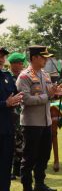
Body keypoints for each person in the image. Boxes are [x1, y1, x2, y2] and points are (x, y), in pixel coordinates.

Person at [16, 45, 62, 191]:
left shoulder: (45, 74)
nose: (46, 60)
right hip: (31, 123)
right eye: (43, 57)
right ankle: (27, 190)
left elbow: (50, 94)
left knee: (44, 155)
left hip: (46, 122)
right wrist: (47, 95)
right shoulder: (24, 76)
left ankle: (40, 184)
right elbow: (26, 100)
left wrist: (57, 93)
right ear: (34, 57)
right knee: (29, 157)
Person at [0, 47, 24, 191]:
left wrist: (19, 98)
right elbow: (7, 102)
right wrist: (4, 103)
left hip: (7, 127)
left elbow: (16, 95)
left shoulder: (7, 76)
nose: (1, 59)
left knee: (5, 163)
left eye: (2, 56)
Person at [7, 52, 26, 180]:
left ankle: (18, 169)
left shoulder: (23, 78)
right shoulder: (7, 78)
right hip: (9, 116)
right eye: (19, 63)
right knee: (10, 143)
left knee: (20, 141)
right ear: (12, 64)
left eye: (21, 63)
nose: (21, 65)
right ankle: (9, 170)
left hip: (21, 115)